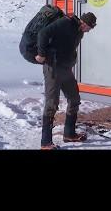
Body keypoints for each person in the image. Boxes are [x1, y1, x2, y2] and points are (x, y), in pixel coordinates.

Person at [35, 11, 97, 150]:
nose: (88, 31)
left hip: (65, 69)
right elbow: (43, 34)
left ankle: (69, 133)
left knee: (74, 98)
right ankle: (45, 142)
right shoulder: (65, 23)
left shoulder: (79, 31)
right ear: (84, 22)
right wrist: (41, 54)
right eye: (89, 27)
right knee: (52, 103)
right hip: (53, 67)